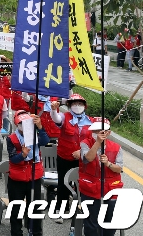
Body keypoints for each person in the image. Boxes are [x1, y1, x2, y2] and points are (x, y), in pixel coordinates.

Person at [50, 93, 93, 223]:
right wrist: (53, 109)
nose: (77, 106)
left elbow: (92, 139)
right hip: (64, 157)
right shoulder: (65, 117)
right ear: (69, 105)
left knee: (82, 184)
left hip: (82, 159)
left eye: (80, 104)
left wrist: (81, 151)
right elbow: (56, 119)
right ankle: (60, 211)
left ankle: (81, 209)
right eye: (74, 103)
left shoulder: (90, 121)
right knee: (63, 184)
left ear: (84, 106)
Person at [6, 111, 49, 236]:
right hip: (17, 178)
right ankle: (16, 232)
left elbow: (45, 141)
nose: (24, 126)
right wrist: (23, 155)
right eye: (21, 124)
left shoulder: (35, 134)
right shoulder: (12, 138)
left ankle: (35, 232)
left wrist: (40, 126)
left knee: (35, 207)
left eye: (27, 123)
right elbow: (13, 158)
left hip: (34, 176)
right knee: (16, 208)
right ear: (17, 124)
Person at [79, 118, 123, 236]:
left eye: (101, 131)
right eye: (95, 131)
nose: (97, 134)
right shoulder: (85, 143)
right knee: (91, 225)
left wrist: (108, 164)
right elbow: (87, 158)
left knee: (110, 223)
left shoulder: (116, 147)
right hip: (90, 188)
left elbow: (119, 168)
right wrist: (97, 143)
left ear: (108, 133)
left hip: (111, 189)